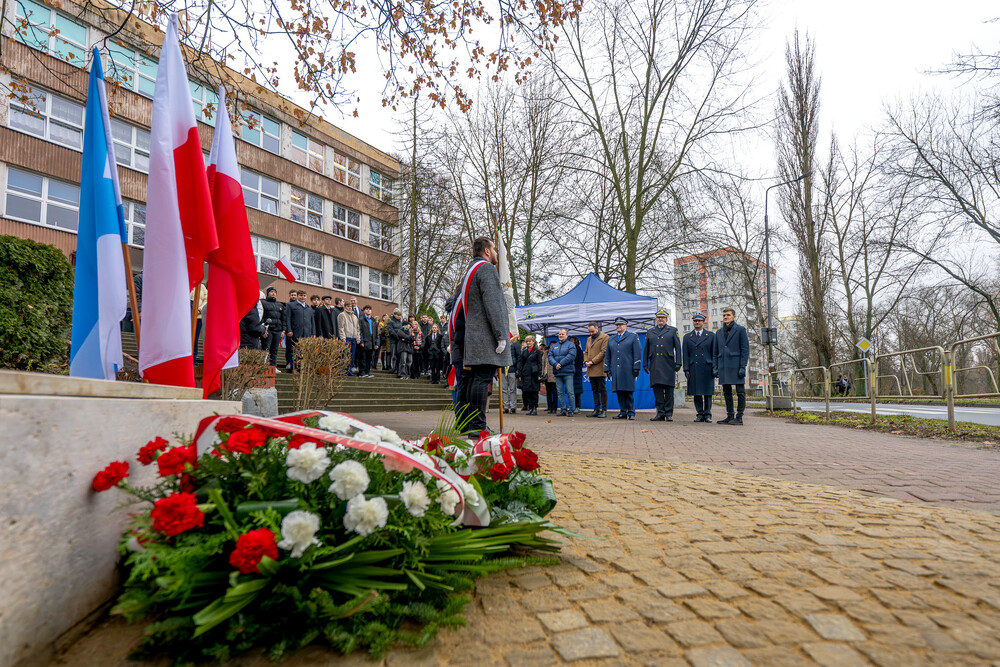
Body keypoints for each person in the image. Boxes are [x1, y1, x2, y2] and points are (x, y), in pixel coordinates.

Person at [451, 237, 512, 434]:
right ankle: (478, 426)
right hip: (484, 336)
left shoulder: (470, 270)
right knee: (481, 378)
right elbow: (494, 304)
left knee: (470, 379)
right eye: (494, 249)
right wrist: (501, 335)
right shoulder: (485, 269)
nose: (496, 253)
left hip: (471, 336)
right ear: (486, 251)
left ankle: (468, 424)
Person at [644, 308, 683, 422]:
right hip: (655, 364)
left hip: (668, 364)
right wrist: (645, 363)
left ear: (666, 319)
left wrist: (678, 362)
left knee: (669, 391)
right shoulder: (650, 331)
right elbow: (646, 349)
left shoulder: (672, 330)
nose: (660, 319)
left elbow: (678, 348)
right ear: (656, 319)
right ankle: (660, 413)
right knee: (658, 390)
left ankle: (669, 413)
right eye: (658, 317)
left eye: (663, 317)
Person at [713, 307, 750, 425]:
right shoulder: (718, 332)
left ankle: (739, 417)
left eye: (728, 315)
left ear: (734, 316)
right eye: (724, 315)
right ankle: (729, 415)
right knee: (727, 392)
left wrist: (742, 366)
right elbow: (715, 351)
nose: (725, 317)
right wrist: (715, 366)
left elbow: (745, 349)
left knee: (740, 392)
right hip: (723, 365)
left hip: (736, 365)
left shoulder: (740, 330)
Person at [605, 317, 642, 420]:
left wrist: (636, 367)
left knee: (628, 392)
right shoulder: (611, 339)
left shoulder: (633, 337)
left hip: (628, 369)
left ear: (626, 326)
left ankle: (631, 412)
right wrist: (607, 368)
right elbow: (608, 355)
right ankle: (622, 412)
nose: (618, 326)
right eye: (617, 325)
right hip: (616, 370)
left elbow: (637, 353)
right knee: (619, 391)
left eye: (620, 324)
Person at [682, 313, 715, 422]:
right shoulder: (687, 337)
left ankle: (708, 414)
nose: (697, 323)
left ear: (703, 322)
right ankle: (700, 414)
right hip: (693, 367)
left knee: (707, 392)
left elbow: (714, 353)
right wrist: (686, 368)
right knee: (696, 392)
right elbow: (685, 355)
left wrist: (715, 367)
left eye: (699, 321)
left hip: (707, 367)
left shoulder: (711, 336)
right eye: (695, 321)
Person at [283, 290, 315, 371]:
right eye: (301, 295)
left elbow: (312, 322)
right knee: (294, 350)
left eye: (304, 295)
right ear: (297, 296)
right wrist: (289, 330)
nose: (302, 297)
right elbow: (288, 318)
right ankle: (294, 368)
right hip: (295, 332)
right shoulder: (290, 305)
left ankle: (302, 368)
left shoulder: (309, 308)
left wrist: (313, 333)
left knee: (304, 351)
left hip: (306, 333)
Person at [548, 329, 576, 417]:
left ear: (567, 335)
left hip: (568, 372)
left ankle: (571, 410)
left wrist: (561, 363)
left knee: (570, 392)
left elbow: (571, 355)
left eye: (562, 334)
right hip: (557, 372)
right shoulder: (554, 346)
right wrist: (555, 364)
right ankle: (563, 410)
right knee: (559, 393)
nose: (561, 335)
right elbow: (550, 356)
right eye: (559, 334)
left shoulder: (571, 345)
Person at [584, 322, 609, 418]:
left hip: (599, 368)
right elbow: (586, 352)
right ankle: (596, 409)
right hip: (590, 368)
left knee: (602, 389)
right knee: (594, 390)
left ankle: (604, 410)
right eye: (589, 332)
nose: (591, 333)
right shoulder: (589, 339)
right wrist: (586, 361)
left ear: (597, 328)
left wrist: (592, 362)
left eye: (592, 331)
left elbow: (603, 352)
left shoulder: (605, 337)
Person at [260, 286, 285, 367]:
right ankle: (263, 365)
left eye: (274, 292)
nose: (273, 293)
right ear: (268, 293)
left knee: (274, 350)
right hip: (268, 330)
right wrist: (263, 329)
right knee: (265, 349)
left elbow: (283, 319)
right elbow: (261, 317)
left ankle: (273, 367)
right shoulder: (263, 303)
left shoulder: (280, 305)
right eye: (271, 291)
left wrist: (283, 331)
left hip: (277, 331)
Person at [519, 335, 542, 415]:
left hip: (534, 374)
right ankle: (530, 407)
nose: (528, 343)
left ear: (533, 342)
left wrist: (539, 373)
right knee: (527, 392)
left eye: (530, 341)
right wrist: (520, 374)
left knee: (534, 392)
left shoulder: (537, 351)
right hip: (526, 374)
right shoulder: (524, 352)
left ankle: (535, 408)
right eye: (527, 341)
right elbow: (521, 363)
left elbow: (540, 363)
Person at [337, 302, 361, 376]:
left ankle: (349, 370)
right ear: (345, 307)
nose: (349, 308)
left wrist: (358, 338)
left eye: (351, 306)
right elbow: (340, 327)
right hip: (346, 337)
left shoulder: (354, 316)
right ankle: (342, 370)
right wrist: (343, 337)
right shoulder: (342, 315)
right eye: (348, 306)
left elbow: (357, 328)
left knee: (351, 355)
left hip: (353, 338)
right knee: (344, 355)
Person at [502, 335, 521, 414]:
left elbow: (519, 356)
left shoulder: (515, 343)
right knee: (504, 390)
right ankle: (505, 407)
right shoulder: (501, 342)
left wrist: (518, 369)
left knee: (513, 389)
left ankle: (513, 407)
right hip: (503, 369)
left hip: (512, 369)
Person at [357, 305, 378, 377]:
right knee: (363, 358)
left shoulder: (373, 320)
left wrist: (376, 343)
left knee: (369, 358)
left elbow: (376, 333)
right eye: (366, 309)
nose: (368, 310)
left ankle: (367, 372)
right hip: (365, 341)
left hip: (372, 342)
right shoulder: (361, 320)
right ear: (364, 311)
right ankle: (362, 372)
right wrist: (361, 341)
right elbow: (360, 331)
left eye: (369, 309)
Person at [540, 342, 559, 414]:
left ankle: (554, 408)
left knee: (555, 393)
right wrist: (542, 374)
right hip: (547, 375)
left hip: (554, 375)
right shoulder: (546, 353)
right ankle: (549, 407)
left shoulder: (557, 353)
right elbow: (543, 364)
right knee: (548, 393)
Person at [284, 289, 298, 369]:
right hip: (290, 330)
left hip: (297, 330)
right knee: (289, 348)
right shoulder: (287, 305)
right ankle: (288, 362)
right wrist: (288, 329)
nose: (293, 296)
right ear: (289, 296)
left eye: (294, 295)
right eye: (292, 295)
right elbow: (287, 318)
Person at [570, 336, 584, 412]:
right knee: (570, 391)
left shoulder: (579, 350)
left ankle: (577, 407)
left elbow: (580, 363)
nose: (570, 342)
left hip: (576, 373)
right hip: (569, 373)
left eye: (572, 340)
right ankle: (572, 406)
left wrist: (576, 371)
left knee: (577, 392)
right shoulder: (568, 350)